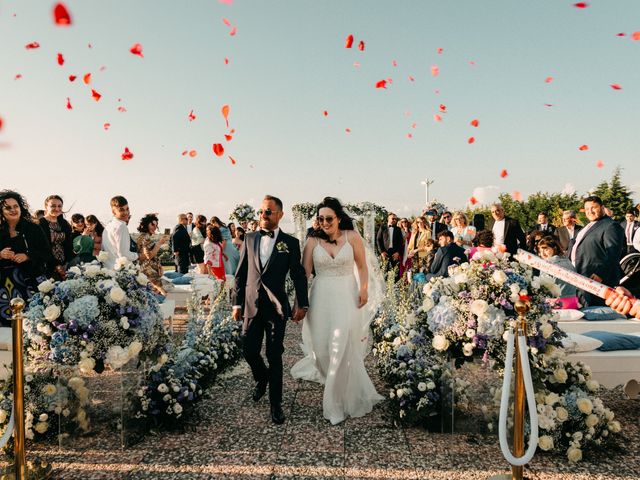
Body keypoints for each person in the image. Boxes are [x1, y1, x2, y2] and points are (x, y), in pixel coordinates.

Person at [292, 197, 383, 425]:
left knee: (340, 346)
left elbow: (362, 266)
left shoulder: (351, 237)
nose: (324, 222)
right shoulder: (312, 241)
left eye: (328, 218)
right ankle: (332, 379)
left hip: (346, 296)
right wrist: (299, 302)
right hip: (320, 297)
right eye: (320, 218)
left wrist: (364, 290)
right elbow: (304, 273)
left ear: (339, 218)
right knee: (322, 349)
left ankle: (334, 404)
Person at [232, 195, 308, 425]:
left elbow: (298, 275)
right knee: (249, 351)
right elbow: (241, 272)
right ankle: (262, 379)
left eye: (268, 212)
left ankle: (276, 404)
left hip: (276, 308)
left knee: (274, 356)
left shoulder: (290, 243)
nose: (263, 216)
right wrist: (236, 303)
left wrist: (302, 303)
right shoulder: (250, 238)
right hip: (251, 305)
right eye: (261, 212)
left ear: (280, 215)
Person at [0, 190, 49, 326]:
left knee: (31, 325)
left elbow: (46, 253)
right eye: (8, 207)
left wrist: (28, 256)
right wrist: (0, 254)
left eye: (16, 206)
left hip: (30, 283)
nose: (13, 210)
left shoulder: (33, 228)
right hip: (3, 289)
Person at [571, 195, 626, 307]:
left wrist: (601, 274)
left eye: (593, 207)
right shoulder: (587, 227)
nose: (589, 211)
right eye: (586, 209)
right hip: (582, 278)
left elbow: (613, 253)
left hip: (598, 281)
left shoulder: (611, 226)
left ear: (602, 207)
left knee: (598, 318)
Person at [39, 195, 74, 279]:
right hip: (47, 266)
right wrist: (56, 265)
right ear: (46, 207)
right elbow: (42, 248)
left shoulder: (64, 223)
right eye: (53, 206)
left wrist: (67, 264)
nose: (57, 208)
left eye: (59, 206)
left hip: (65, 266)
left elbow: (69, 245)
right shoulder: (40, 224)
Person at [537, 236, 578, 304]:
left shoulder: (547, 265)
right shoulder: (567, 261)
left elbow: (543, 288)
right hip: (573, 301)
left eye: (546, 250)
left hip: (558, 304)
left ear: (554, 248)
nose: (543, 254)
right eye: (540, 251)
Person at [102, 196, 138, 269]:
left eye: (127, 209)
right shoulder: (121, 226)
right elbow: (124, 254)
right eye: (121, 210)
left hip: (108, 270)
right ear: (113, 212)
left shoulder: (108, 226)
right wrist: (138, 255)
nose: (126, 212)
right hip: (120, 271)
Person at [136, 214, 168, 296]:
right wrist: (159, 244)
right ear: (146, 224)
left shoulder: (146, 236)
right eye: (152, 224)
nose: (154, 227)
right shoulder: (144, 237)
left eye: (156, 225)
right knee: (164, 293)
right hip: (147, 272)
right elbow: (148, 256)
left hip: (151, 272)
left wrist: (159, 266)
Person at [376, 212, 404, 279]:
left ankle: (395, 288)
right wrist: (382, 252)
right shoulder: (383, 227)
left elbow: (400, 242)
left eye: (396, 219)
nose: (394, 220)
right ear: (388, 219)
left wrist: (397, 252)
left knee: (396, 272)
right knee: (384, 271)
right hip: (385, 252)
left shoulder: (398, 229)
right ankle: (385, 287)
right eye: (393, 218)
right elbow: (378, 240)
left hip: (395, 253)